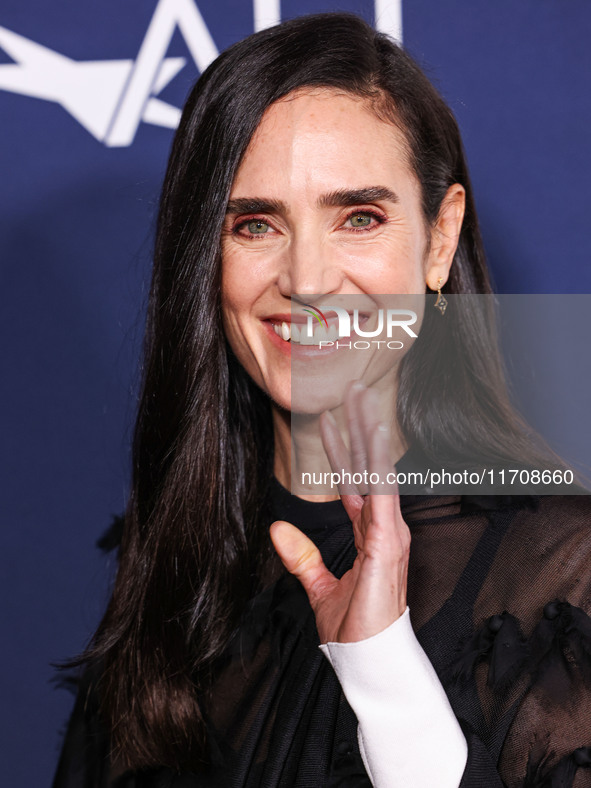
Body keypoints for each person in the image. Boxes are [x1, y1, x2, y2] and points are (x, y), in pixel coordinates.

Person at [52, 12, 591, 788]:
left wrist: (383, 677)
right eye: (255, 224)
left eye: (359, 217)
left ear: (438, 240)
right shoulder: (180, 567)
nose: (306, 280)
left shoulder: (562, 570)